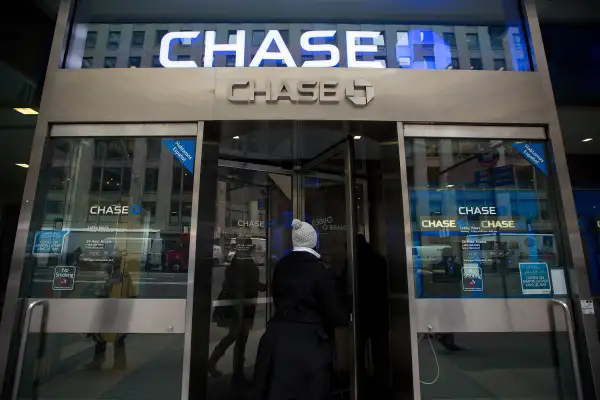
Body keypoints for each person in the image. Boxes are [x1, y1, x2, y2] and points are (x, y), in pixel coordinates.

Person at [253, 219, 348, 400]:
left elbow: (277, 298)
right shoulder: (320, 269)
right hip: (309, 344)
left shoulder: (281, 266)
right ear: (313, 241)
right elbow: (333, 310)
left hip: (277, 340)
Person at [208, 244, 264, 385]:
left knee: (235, 337)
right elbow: (249, 286)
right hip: (241, 309)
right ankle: (235, 372)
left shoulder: (235, 266)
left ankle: (216, 364)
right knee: (238, 339)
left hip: (235, 308)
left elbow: (245, 284)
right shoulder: (248, 266)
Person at [356, 234, 391, 397]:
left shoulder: (355, 261)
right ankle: (383, 387)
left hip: (361, 313)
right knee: (381, 354)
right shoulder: (379, 260)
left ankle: (362, 384)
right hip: (379, 313)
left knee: (358, 353)